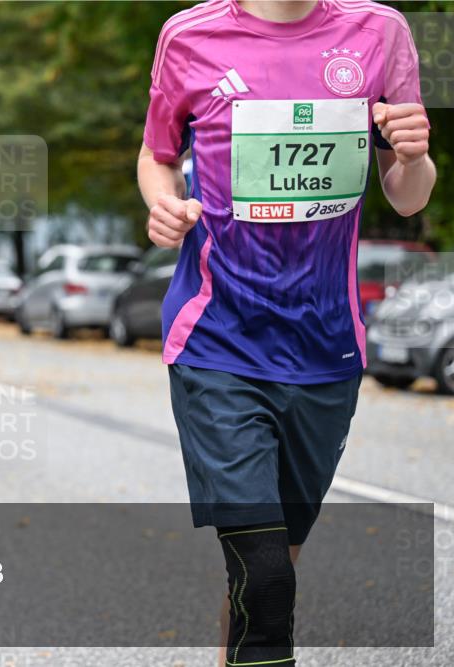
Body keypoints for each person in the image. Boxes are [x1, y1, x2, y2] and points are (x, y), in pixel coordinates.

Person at [139, 1, 436, 665]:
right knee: (266, 572)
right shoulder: (188, 35)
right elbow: (157, 153)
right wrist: (163, 202)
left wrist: (413, 155)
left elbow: (409, 193)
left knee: (270, 569)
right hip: (217, 341)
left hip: (325, 350)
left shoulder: (379, 32)